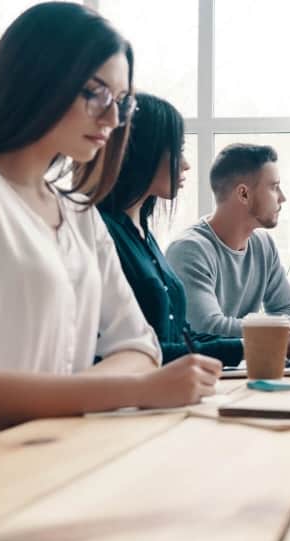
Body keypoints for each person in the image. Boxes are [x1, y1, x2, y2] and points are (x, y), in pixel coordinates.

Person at [0, 2, 221, 462]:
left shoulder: (80, 214)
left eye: (122, 101)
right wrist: (137, 389)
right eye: (96, 93)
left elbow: (139, 345)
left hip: (44, 459)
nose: (112, 119)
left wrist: (124, 385)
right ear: (38, 80)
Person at [98, 93, 246, 365]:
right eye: (178, 150)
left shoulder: (143, 234)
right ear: (144, 152)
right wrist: (245, 348)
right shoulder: (102, 232)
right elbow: (140, 352)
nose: (186, 164)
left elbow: (180, 338)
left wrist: (250, 345)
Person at [166, 143, 290, 356]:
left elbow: (287, 311)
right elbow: (208, 328)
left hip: (249, 367)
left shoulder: (263, 244)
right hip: (207, 376)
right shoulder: (189, 250)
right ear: (244, 194)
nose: (282, 197)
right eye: (274, 187)